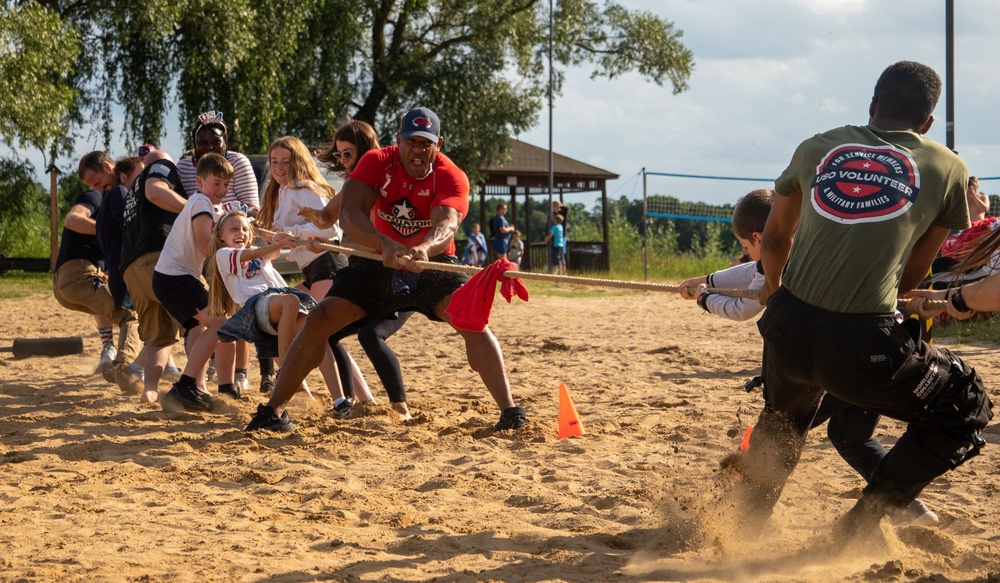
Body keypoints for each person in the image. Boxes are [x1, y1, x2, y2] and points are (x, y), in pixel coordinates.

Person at [737, 61, 991, 542]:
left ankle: (737, 527)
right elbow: (914, 274)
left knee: (783, 424)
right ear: (929, 124)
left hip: (787, 326)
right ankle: (860, 524)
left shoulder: (817, 145)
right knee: (965, 407)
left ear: (873, 106)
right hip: (861, 339)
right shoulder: (950, 168)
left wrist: (778, 295)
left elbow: (773, 241)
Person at [245, 106, 526, 433]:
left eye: (426, 143)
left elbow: (448, 223)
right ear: (398, 140)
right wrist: (384, 243)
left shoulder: (450, 175)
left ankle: (509, 411)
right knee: (321, 319)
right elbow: (350, 214)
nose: (418, 150)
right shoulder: (377, 162)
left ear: (439, 144)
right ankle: (273, 412)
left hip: (431, 266)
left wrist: (423, 248)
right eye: (412, 142)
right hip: (376, 262)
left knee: (472, 322)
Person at [679, 188, 937, 524]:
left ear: (759, 237)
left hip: (844, 355)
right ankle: (912, 510)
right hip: (888, 349)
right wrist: (706, 281)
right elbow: (755, 270)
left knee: (778, 433)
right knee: (851, 436)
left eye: (745, 247)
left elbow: (744, 307)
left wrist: (703, 298)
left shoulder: (786, 258)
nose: (747, 255)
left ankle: (746, 521)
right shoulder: (811, 242)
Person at [256, 135, 375, 414]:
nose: (279, 167)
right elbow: (278, 242)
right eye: (274, 162)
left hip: (328, 263)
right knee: (304, 327)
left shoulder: (305, 189)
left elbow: (330, 231)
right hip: (312, 269)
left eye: (286, 161)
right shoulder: (282, 193)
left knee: (321, 333)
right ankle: (359, 398)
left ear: (298, 162)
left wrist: (294, 234)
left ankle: (348, 399)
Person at [317, 120, 415, 420]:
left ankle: (401, 408)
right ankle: (347, 403)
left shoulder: (386, 183)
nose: (343, 161)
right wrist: (292, 229)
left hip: (398, 276)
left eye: (348, 154)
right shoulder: (351, 186)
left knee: (371, 336)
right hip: (365, 277)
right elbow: (324, 218)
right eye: (340, 155)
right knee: (327, 333)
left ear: (366, 151)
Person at [153, 153, 238, 410]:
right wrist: (233, 244)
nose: (222, 190)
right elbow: (206, 245)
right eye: (216, 183)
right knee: (222, 324)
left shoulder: (210, 206)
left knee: (200, 329)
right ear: (200, 182)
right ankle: (188, 385)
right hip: (176, 276)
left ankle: (195, 387)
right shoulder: (201, 202)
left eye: (226, 184)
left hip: (172, 276)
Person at [57, 154, 139, 383]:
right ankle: (125, 370)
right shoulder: (96, 196)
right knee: (130, 317)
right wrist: (106, 230)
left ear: (107, 166)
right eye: (95, 186)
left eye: (98, 183)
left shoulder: (115, 198)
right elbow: (73, 220)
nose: (100, 189)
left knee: (106, 298)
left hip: (69, 282)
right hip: (79, 274)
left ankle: (111, 352)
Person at [120, 149, 191, 403]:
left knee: (159, 336)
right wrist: (194, 208)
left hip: (132, 267)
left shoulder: (132, 190)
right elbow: (155, 191)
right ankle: (196, 386)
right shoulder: (161, 166)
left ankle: (149, 390)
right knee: (203, 320)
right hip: (159, 259)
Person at [208, 210, 316, 375]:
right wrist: (279, 243)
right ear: (221, 236)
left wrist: (275, 238)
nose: (241, 233)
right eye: (234, 229)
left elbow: (271, 253)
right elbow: (250, 254)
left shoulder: (257, 250)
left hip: (274, 302)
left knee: (310, 322)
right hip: (256, 305)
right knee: (291, 301)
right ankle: (285, 368)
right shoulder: (223, 254)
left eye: (245, 229)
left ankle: (292, 380)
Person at [176, 111, 259, 215]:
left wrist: (225, 221)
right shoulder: (182, 167)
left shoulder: (237, 162)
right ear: (195, 143)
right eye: (202, 142)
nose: (209, 147)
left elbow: (254, 209)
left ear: (225, 143)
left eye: (216, 142)